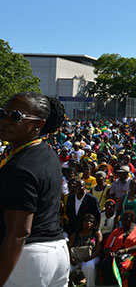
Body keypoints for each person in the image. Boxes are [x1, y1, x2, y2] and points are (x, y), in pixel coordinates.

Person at [0, 92, 70, 287]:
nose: (6, 121)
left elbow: (19, 232)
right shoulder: (45, 152)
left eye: (16, 116)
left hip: (27, 257)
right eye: (2, 114)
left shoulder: (21, 168)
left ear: (39, 124)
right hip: (56, 251)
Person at [101, 210, 136, 287]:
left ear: (132, 220)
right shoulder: (116, 231)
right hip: (116, 255)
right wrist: (110, 252)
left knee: (124, 266)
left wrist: (125, 250)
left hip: (133, 255)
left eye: (127, 219)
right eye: (123, 219)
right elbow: (107, 246)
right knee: (105, 264)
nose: (124, 221)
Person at [68, 213, 102, 286]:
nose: (88, 223)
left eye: (91, 221)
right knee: (66, 267)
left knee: (89, 266)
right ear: (82, 222)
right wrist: (70, 259)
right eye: (86, 221)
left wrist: (91, 257)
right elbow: (69, 247)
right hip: (76, 258)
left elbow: (99, 248)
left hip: (91, 257)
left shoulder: (96, 233)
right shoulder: (76, 233)